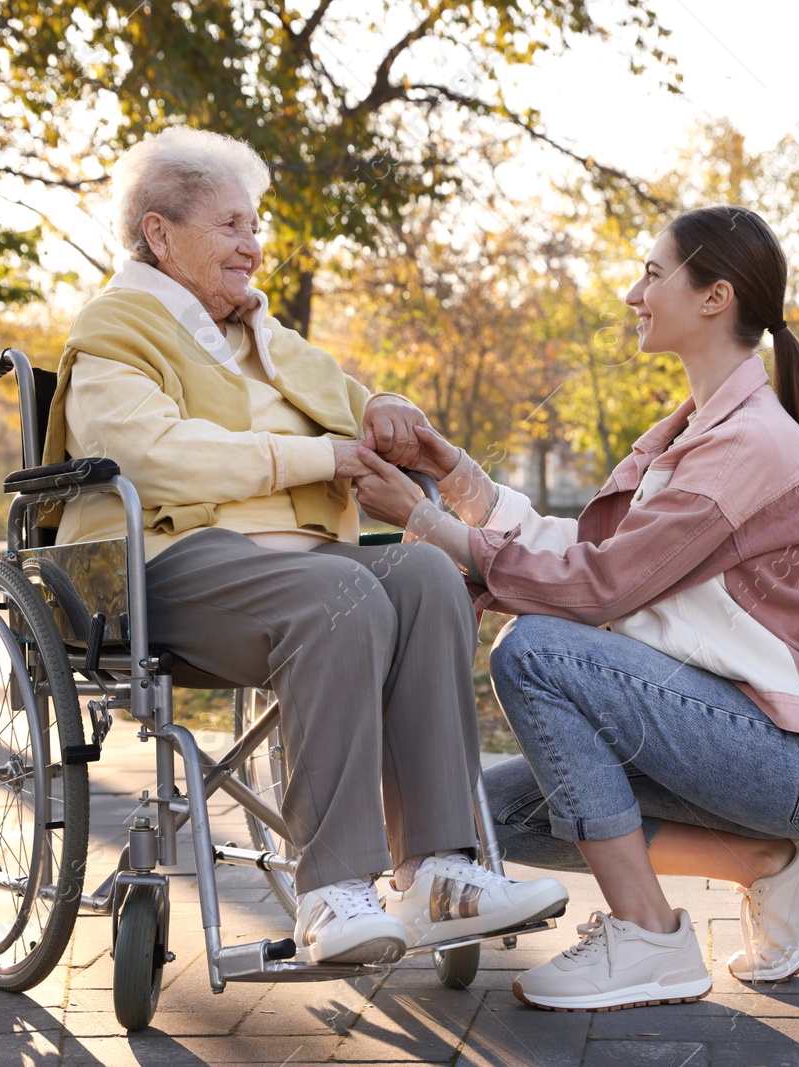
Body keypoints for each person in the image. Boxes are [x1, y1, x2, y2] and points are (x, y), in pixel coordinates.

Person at [43, 127, 566, 966]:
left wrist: (388, 404)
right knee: (344, 595)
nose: (254, 247)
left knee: (428, 573)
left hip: (297, 565)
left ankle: (440, 871)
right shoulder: (116, 330)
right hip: (166, 565)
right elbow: (150, 455)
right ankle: (330, 890)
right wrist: (318, 457)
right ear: (158, 233)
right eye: (231, 227)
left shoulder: (262, 335)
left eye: (256, 227)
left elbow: (353, 402)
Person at [352, 205, 799, 1011]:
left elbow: (602, 587)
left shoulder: (749, 446)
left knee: (534, 651)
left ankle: (649, 936)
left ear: (715, 298)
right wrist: (456, 477)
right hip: (738, 728)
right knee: (491, 816)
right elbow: (591, 551)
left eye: (651, 273)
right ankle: (776, 868)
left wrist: (428, 523)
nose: (635, 292)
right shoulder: (692, 430)